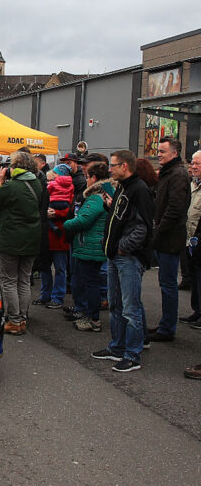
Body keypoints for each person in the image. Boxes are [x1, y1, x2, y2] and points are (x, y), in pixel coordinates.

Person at [91, 150, 154, 372]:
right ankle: (117, 347)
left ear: (125, 166)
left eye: (114, 165)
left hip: (127, 258)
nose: (110, 169)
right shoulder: (123, 188)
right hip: (115, 256)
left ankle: (132, 354)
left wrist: (122, 248)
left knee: (130, 307)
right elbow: (123, 218)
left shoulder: (139, 190)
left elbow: (143, 227)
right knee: (116, 304)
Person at [0, 151, 42, 335]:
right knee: (24, 280)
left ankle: (14, 320)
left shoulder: (11, 186)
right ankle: (23, 319)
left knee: (9, 280)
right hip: (31, 237)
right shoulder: (37, 183)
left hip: (11, 238)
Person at [62, 162, 114, 331]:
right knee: (89, 282)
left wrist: (67, 223)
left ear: (94, 178)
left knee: (89, 283)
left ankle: (93, 318)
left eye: (88, 176)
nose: (86, 180)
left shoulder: (96, 197)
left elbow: (83, 220)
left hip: (90, 246)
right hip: (94, 244)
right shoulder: (107, 193)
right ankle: (87, 313)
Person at [148, 137, 190, 343]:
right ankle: (166, 324)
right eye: (159, 151)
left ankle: (167, 328)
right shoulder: (170, 173)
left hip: (170, 238)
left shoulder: (178, 174)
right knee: (166, 284)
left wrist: (158, 231)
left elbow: (175, 208)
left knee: (168, 285)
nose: (159, 154)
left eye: (163, 151)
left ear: (174, 153)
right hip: (165, 236)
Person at [35, 165, 73, 309]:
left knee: (60, 268)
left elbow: (71, 211)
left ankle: (57, 297)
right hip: (48, 233)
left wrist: (57, 213)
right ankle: (46, 295)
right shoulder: (47, 188)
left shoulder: (68, 189)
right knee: (45, 266)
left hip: (59, 233)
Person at [181, 150, 201, 328]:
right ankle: (197, 311)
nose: (193, 167)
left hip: (198, 238)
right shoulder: (193, 185)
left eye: (197, 164)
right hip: (190, 239)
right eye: (192, 164)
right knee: (195, 277)